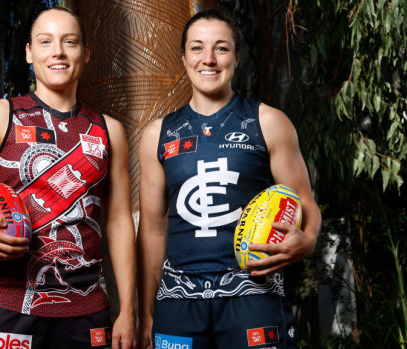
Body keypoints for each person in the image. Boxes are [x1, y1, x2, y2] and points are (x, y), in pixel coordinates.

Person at [0, 7, 136, 349]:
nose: (58, 51)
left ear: (85, 53)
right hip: (4, 301)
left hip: (85, 308)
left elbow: (119, 222)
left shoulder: (109, 131)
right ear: (28, 52)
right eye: (45, 41)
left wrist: (127, 309)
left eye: (69, 41)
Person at [137, 9, 322, 349]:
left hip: (252, 294)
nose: (208, 59)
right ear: (183, 57)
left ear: (237, 58)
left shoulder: (268, 121)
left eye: (221, 48)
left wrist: (308, 239)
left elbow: (304, 200)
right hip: (178, 300)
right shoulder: (157, 135)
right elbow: (152, 229)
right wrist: (145, 313)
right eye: (197, 48)